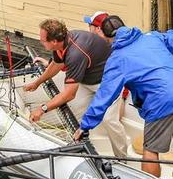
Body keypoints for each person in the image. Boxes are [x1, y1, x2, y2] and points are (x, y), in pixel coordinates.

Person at [74, 16, 173, 178]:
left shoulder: (117, 59)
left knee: (150, 151)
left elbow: (104, 96)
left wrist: (85, 125)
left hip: (161, 103)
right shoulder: (151, 37)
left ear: (107, 38)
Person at [24, 19, 128, 157]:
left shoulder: (75, 53)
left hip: (109, 82)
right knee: (72, 108)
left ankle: (122, 158)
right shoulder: (63, 43)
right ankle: (78, 137)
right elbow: (56, 65)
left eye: (43, 40)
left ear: (54, 41)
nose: (40, 41)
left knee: (109, 119)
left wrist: (42, 109)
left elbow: (69, 94)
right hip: (88, 79)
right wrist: (37, 82)